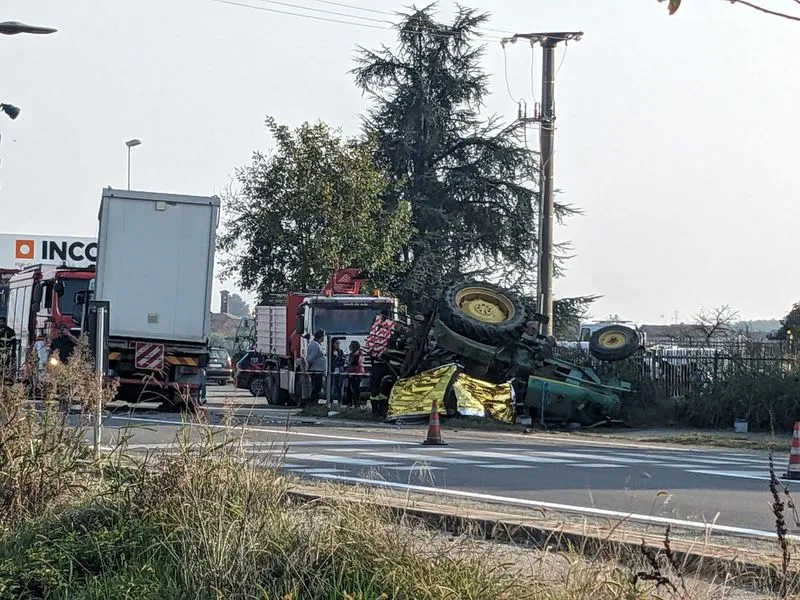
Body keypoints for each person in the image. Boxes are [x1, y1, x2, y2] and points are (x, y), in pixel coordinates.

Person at [305, 329, 326, 405]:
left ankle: (314, 402)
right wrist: (308, 366)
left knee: (317, 387)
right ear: (321, 336)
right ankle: (313, 403)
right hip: (316, 370)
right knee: (316, 388)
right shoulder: (315, 345)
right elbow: (311, 358)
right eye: (323, 336)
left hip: (318, 370)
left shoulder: (316, 344)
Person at [346, 340, 365, 406]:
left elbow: (356, 363)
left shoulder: (358, 354)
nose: (349, 347)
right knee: (350, 389)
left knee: (356, 389)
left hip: (356, 373)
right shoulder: (352, 354)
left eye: (351, 345)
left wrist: (351, 368)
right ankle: (349, 402)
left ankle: (356, 403)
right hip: (351, 373)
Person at [329, 337, 346, 403]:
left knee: (339, 386)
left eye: (339, 343)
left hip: (339, 371)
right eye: (336, 343)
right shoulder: (330, 351)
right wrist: (335, 357)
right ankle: (330, 401)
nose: (338, 344)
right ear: (333, 344)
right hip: (332, 371)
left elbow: (343, 361)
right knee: (331, 387)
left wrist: (338, 363)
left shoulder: (341, 351)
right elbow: (330, 362)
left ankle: (340, 401)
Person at [0, 316, 17, 381]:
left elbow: (14, 342)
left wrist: (13, 353)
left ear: (5, 323)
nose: (0, 324)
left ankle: (4, 380)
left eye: (1, 322)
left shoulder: (10, 331)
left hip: (6, 354)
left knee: (5, 368)